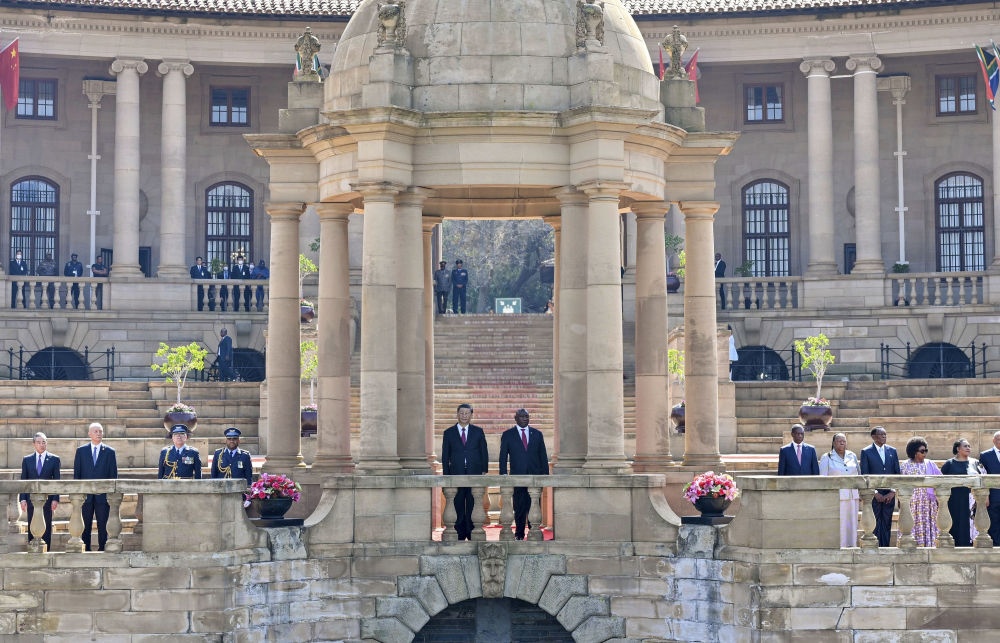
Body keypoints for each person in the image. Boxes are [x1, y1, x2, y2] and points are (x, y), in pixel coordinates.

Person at [499, 408, 549, 540]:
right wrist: (503, 473)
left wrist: (545, 474)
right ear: (516, 418)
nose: (525, 419)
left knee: (534, 505)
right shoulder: (508, 434)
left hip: (535, 476)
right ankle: (519, 534)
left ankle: (534, 532)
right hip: (517, 476)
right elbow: (503, 456)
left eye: (527, 416)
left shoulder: (537, 434)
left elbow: (543, 455)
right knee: (519, 507)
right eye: (522, 416)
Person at [440, 403, 488, 540]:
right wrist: (447, 474)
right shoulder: (449, 433)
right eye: (461, 413)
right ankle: (460, 533)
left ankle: (472, 531)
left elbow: (483, 451)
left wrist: (484, 470)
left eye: (467, 413)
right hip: (456, 473)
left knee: (473, 502)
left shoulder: (478, 431)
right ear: (457, 414)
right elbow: (445, 455)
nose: (464, 416)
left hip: (474, 472)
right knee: (458, 502)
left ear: (471, 415)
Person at [72, 422, 118, 551]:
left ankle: (102, 548)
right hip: (85, 497)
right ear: (89, 434)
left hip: (102, 497)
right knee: (85, 525)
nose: (99, 434)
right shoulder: (81, 451)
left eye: (100, 431)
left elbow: (113, 476)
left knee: (103, 525)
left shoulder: (110, 452)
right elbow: (77, 475)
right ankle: (86, 549)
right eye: (96, 431)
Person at [858, 426, 901, 547]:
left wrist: (892, 492)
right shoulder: (866, 452)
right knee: (874, 523)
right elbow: (865, 475)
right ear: (874, 437)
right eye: (881, 434)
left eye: (885, 434)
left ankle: (885, 548)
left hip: (889, 495)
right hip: (874, 496)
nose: (884, 437)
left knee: (887, 523)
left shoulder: (892, 451)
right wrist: (875, 492)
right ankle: (874, 548)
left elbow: (897, 473)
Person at [818, 432, 860, 548]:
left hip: (852, 496)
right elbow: (823, 479)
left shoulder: (852, 455)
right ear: (833, 443)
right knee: (840, 524)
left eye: (844, 441)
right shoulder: (827, 457)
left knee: (852, 523)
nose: (842, 443)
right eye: (839, 441)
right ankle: (840, 547)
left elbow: (858, 475)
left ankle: (852, 546)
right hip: (837, 496)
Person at [19, 432, 60, 549]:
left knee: (46, 525)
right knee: (32, 524)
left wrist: (55, 499)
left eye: (44, 442)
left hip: (48, 499)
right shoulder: (27, 460)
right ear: (34, 444)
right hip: (31, 499)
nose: (41, 445)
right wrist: (22, 499)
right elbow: (24, 481)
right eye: (39, 442)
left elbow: (57, 481)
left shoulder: (54, 459)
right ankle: (33, 550)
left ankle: (46, 550)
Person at [899, 436, 940, 548]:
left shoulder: (930, 464)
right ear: (914, 452)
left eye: (926, 450)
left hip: (928, 503)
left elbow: (940, 480)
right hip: (913, 503)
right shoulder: (905, 465)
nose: (925, 453)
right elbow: (901, 484)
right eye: (922, 451)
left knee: (928, 524)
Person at [940, 438, 982, 547]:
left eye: (969, 446)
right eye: (965, 446)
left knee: (969, 524)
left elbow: (983, 478)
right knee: (955, 522)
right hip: (954, 500)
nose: (968, 448)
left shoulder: (975, 462)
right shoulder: (949, 463)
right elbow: (940, 481)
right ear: (958, 449)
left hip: (971, 500)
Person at [978, 430, 1000, 546]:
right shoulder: (985, 455)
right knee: (994, 521)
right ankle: (996, 545)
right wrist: (985, 496)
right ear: (993, 441)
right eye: (999, 439)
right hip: (994, 495)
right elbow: (982, 476)